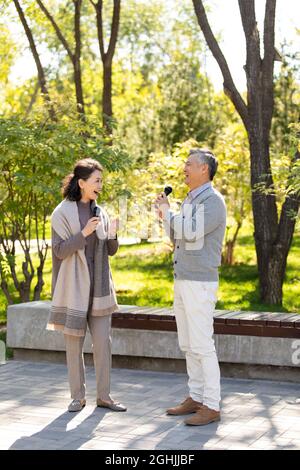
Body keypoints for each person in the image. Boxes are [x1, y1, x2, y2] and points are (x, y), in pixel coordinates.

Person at [47, 158, 126, 413]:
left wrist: (112, 232)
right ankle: (77, 397)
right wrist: (83, 234)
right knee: (74, 345)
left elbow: (111, 251)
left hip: (100, 288)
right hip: (74, 289)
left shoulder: (100, 212)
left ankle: (104, 396)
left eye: (101, 181)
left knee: (103, 343)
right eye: (97, 181)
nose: (100, 185)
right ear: (81, 183)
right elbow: (59, 251)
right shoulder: (61, 213)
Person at [155, 148, 226, 426]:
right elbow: (177, 235)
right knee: (187, 343)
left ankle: (212, 404)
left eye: (189, 164)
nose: (184, 168)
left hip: (200, 282)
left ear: (204, 170)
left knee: (202, 344)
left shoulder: (213, 201)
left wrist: (169, 215)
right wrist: (166, 216)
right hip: (182, 278)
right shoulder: (190, 199)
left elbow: (191, 231)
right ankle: (196, 397)